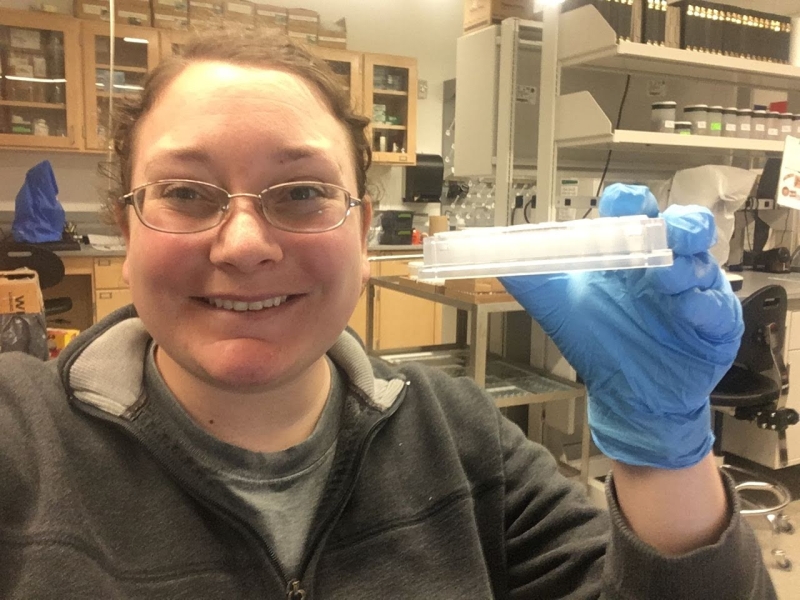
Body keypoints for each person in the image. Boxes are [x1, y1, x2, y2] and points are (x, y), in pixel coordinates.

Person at [0, 30, 777, 599]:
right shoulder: (20, 448)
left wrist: (664, 454)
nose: (242, 246)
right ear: (125, 224)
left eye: (302, 192)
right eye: (186, 193)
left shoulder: (463, 442)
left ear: (362, 231)